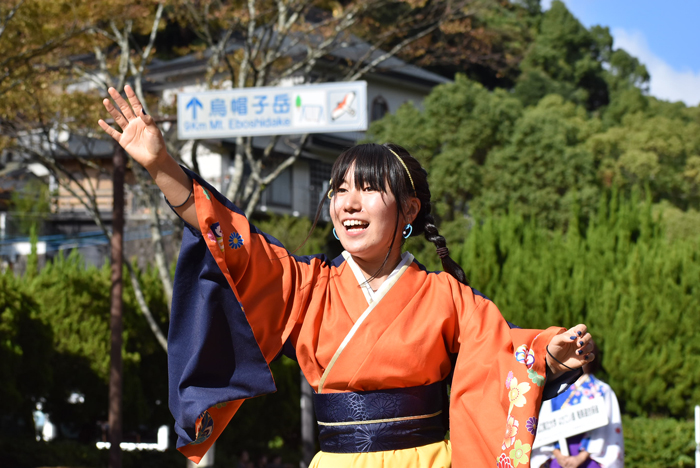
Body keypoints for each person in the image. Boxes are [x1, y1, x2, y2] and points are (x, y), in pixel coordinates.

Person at [98, 86, 596, 468]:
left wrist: (547, 352)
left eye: (366, 190)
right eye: (338, 190)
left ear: (409, 209)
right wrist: (162, 164)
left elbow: (500, 351)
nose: (348, 203)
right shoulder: (306, 286)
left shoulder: (448, 297)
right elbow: (231, 240)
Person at [530, 345, 623, 468]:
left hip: (590, 457)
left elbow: (608, 429)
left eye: (585, 354)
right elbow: (545, 426)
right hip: (560, 458)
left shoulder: (602, 390)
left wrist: (581, 457)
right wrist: (558, 455)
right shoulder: (556, 388)